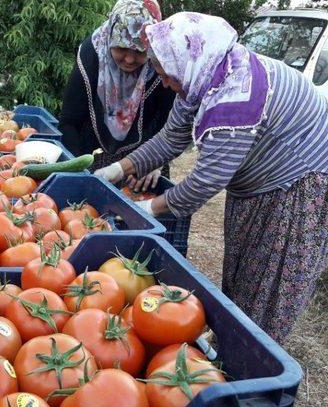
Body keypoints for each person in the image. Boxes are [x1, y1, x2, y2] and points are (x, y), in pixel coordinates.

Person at [95, 12, 328, 343]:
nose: (163, 83)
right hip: (258, 184)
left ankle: (253, 360)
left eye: (164, 74)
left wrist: (147, 210)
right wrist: (120, 168)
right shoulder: (201, 75)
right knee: (244, 269)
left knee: (266, 279)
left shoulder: (234, 96)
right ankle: (232, 341)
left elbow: (205, 181)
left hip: (296, 184)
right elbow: (170, 139)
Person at [58, 0, 175, 185]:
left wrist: (155, 161)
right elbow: (69, 121)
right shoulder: (92, 55)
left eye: (139, 51)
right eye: (121, 48)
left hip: (146, 161)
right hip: (89, 154)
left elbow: (168, 123)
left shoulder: (163, 64)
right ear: (109, 38)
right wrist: (78, 171)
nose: (129, 59)